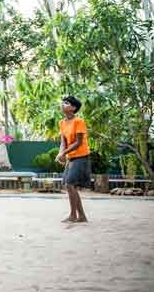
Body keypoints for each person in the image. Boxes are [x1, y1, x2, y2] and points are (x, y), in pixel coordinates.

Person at [56, 95, 91, 223]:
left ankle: (73, 215)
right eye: (62, 102)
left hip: (81, 156)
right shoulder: (62, 122)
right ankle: (81, 216)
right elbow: (63, 142)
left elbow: (78, 142)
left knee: (70, 184)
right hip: (71, 157)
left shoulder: (79, 121)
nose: (62, 104)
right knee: (69, 186)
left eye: (66, 103)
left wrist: (63, 153)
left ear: (73, 108)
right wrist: (61, 154)